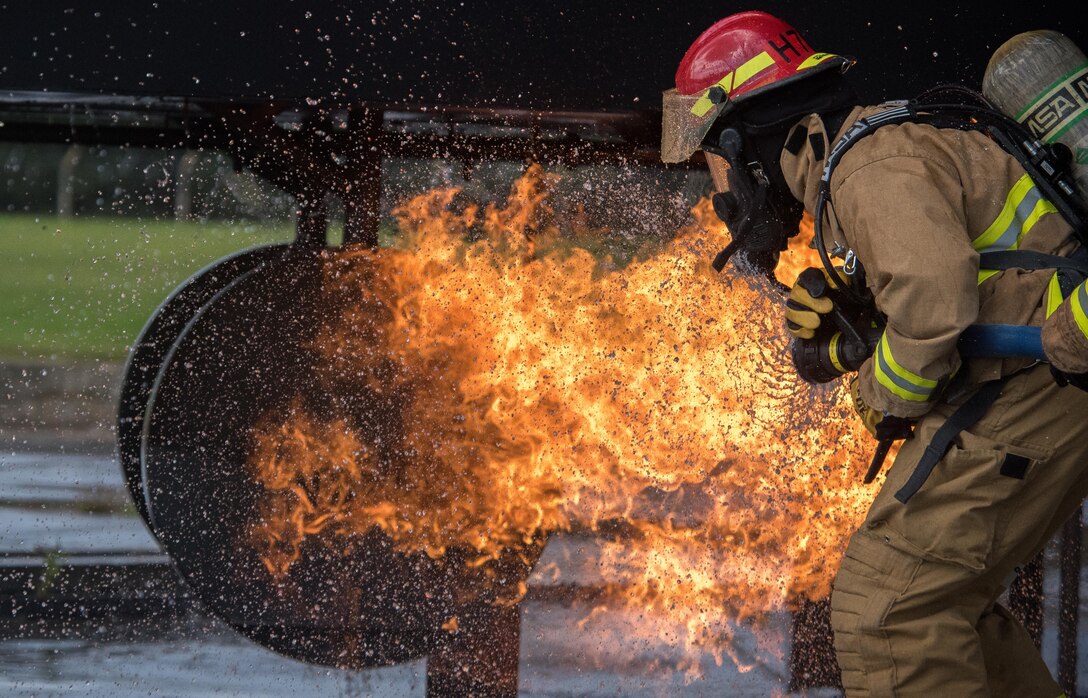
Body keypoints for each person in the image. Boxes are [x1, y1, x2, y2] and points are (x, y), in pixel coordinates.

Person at [661, 10, 1088, 697]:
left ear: (764, 140)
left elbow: (935, 303)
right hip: (1040, 385)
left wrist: (878, 395)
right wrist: (854, 323)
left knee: (887, 611)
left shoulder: (868, 164)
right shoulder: (873, 155)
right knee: (942, 609)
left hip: (1039, 385)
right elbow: (960, 285)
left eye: (722, 162)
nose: (726, 192)